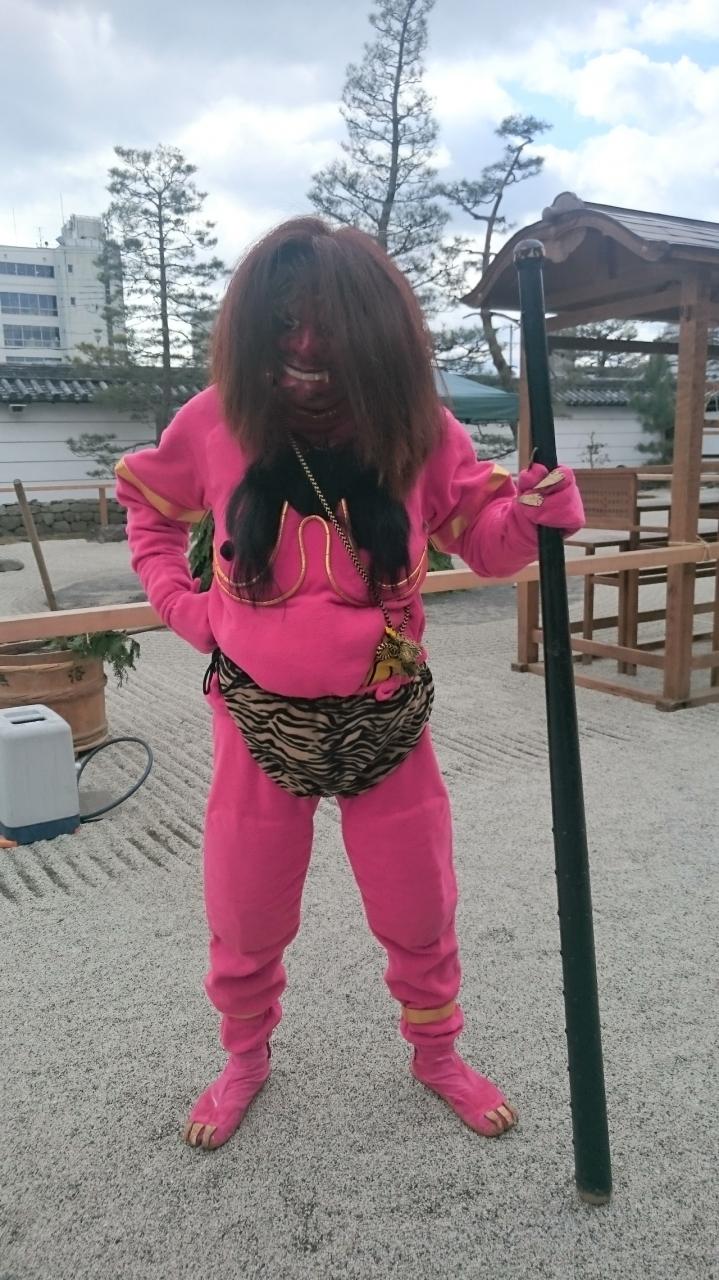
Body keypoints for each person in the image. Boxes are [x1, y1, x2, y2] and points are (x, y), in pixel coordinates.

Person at [116, 217, 584, 1151]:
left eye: (327, 323)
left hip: (387, 717)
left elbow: (483, 542)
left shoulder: (422, 429)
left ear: (373, 332)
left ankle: (437, 1054)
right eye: (283, 320)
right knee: (245, 905)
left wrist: (534, 517)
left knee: (418, 898)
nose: (303, 345)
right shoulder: (212, 421)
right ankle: (244, 1059)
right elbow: (147, 508)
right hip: (254, 720)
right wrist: (183, 604)